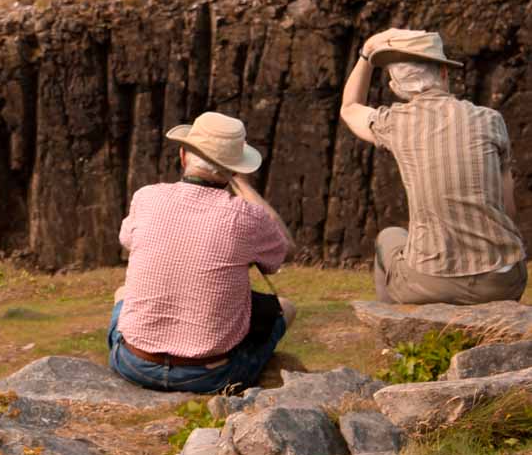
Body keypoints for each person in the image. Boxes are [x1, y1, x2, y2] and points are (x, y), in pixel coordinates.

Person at [109, 111, 296, 393]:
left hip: (132, 363)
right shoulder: (246, 217)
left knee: (122, 292)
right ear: (235, 169)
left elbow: (128, 240)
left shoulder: (146, 197)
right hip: (209, 376)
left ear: (183, 156)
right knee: (287, 307)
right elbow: (285, 248)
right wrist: (242, 185)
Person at [340, 28, 527, 304]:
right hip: (502, 281)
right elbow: (508, 208)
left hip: (430, 282)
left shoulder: (396, 123)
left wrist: (366, 54)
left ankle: (395, 331)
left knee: (390, 237)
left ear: (396, 88)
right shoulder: (491, 120)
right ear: (444, 74)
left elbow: (349, 107)